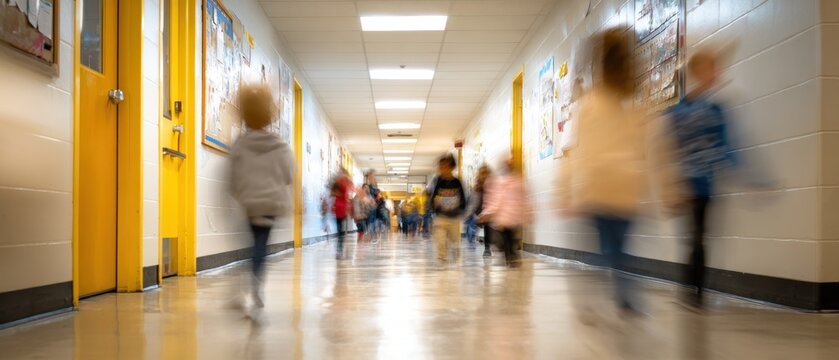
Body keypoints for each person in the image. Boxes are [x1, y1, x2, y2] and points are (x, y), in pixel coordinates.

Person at [557, 28, 650, 313]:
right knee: (618, 244)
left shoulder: (589, 104)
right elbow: (647, 148)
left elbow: (574, 150)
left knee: (610, 246)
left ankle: (619, 286)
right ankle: (622, 290)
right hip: (625, 188)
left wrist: (565, 189)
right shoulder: (634, 103)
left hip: (599, 187)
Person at [664, 50, 737, 308]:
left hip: (706, 184)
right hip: (686, 183)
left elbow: (727, 146)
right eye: (710, 68)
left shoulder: (716, 108)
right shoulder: (680, 110)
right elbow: (664, 145)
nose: (715, 74)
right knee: (696, 237)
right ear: (696, 73)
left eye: (715, 68)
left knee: (700, 236)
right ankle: (693, 293)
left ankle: (695, 291)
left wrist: (749, 177)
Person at [229, 83, 294, 309]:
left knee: (253, 241)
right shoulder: (280, 146)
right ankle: (255, 282)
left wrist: (238, 192)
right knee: (261, 243)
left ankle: (249, 282)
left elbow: (233, 176)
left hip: (250, 203)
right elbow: (288, 175)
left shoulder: (240, 144)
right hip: (271, 203)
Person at [480, 158, 532, 267]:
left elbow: (524, 198)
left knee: (511, 239)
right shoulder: (499, 181)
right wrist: (487, 213)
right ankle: (511, 257)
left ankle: (512, 257)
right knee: (505, 239)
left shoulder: (518, 181)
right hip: (503, 218)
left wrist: (528, 213)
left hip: (513, 217)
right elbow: (494, 200)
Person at [429, 154, 467, 264]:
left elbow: (463, 197)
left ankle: (455, 250)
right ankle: (442, 258)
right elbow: (433, 195)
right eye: (440, 167)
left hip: (454, 217)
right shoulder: (438, 181)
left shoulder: (457, 182)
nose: (441, 169)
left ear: (451, 168)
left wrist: (461, 208)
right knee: (440, 239)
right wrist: (433, 205)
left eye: (444, 167)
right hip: (441, 216)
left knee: (454, 239)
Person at [466, 165, 492, 256]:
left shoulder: (492, 186)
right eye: (483, 174)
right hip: (478, 212)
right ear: (479, 175)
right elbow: (473, 203)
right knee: (472, 229)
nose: (485, 176)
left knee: (488, 229)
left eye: (487, 174)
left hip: (488, 211)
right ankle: (470, 238)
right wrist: (469, 213)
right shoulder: (477, 187)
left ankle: (487, 248)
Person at [331, 167, 353, 258]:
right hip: (339, 208)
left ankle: (339, 249)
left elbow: (335, 193)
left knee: (340, 230)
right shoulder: (343, 182)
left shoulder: (341, 181)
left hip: (341, 208)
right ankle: (339, 249)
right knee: (340, 230)